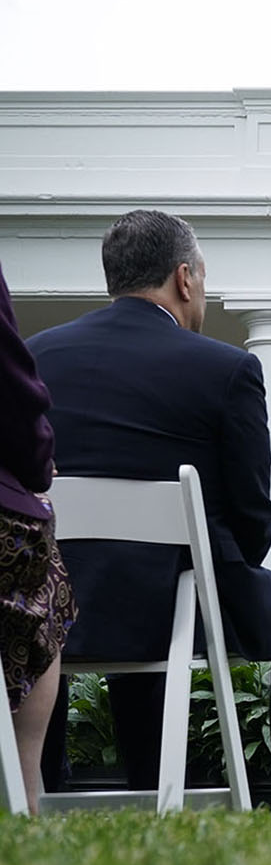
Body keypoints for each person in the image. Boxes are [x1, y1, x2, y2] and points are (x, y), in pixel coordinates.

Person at [32, 210, 271, 807]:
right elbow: (254, 517)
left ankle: (46, 791)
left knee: (86, 595)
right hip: (180, 604)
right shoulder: (225, 368)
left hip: (57, 608)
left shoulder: (34, 358)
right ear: (185, 278)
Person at [1, 261, 75, 815]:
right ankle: (25, 798)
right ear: (185, 278)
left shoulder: (55, 346)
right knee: (46, 587)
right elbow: (16, 400)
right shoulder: (228, 367)